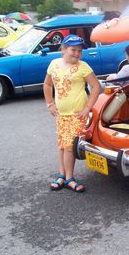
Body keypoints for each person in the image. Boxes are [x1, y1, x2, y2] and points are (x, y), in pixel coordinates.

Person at [43, 34, 101, 193]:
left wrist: (87, 107)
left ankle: (69, 178)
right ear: (63, 49)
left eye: (79, 51)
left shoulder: (84, 67)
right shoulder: (54, 64)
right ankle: (62, 175)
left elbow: (96, 86)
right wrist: (50, 104)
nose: (77, 53)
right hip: (61, 114)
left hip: (77, 115)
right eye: (73, 50)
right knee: (62, 145)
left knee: (69, 146)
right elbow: (47, 84)